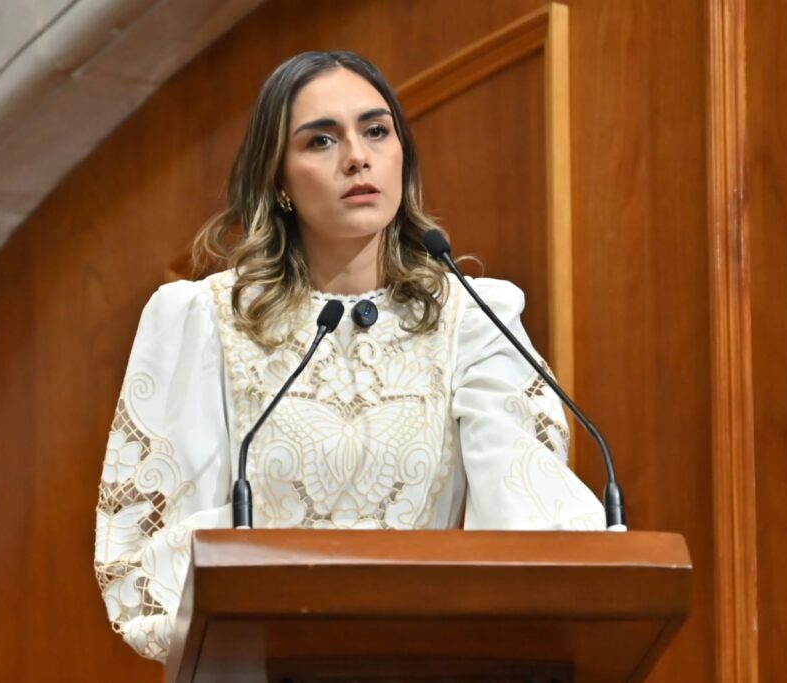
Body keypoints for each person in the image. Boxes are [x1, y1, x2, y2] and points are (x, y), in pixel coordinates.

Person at [94, 51, 605, 661]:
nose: (357, 157)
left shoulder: (472, 319)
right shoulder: (206, 320)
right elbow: (150, 559)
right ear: (278, 180)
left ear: (401, 156)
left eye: (376, 131)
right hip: (263, 663)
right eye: (321, 140)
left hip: (428, 663)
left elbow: (533, 525)